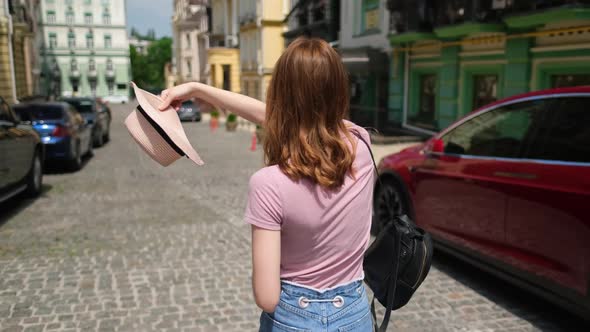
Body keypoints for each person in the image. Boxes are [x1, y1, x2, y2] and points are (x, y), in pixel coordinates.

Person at [159, 37, 374, 332]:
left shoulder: (269, 184)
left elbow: (267, 297)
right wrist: (198, 90)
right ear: (339, 90)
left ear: (280, 95)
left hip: (294, 319)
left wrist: (198, 88)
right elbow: (288, 121)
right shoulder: (362, 144)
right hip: (355, 314)